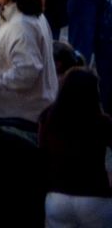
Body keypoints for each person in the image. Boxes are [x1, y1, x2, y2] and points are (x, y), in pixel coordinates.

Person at [39, 66, 112, 227]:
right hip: (95, 197)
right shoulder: (102, 123)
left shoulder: (48, 118)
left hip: (57, 197)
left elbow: (42, 154)